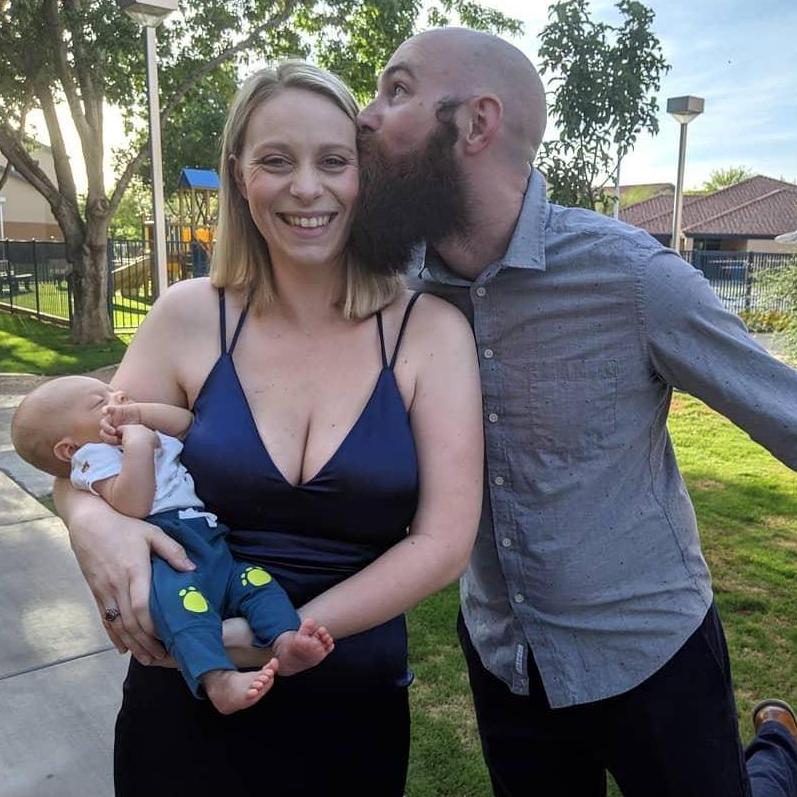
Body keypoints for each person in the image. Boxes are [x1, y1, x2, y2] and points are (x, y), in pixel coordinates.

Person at [353, 26, 797, 797]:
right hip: (503, 657)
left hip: (651, 652)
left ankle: (778, 745)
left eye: (396, 90)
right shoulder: (395, 296)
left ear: (477, 123)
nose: (365, 114)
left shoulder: (634, 279)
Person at [53, 60, 483, 796]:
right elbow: (82, 462)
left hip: (349, 706)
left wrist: (271, 638)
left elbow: (442, 544)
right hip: (184, 705)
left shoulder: (429, 331)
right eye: (276, 161)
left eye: (334, 161)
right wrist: (90, 523)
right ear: (238, 175)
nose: (306, 188)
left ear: (365, 176)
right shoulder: (187, 315)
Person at [12, 375, 336, 715]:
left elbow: (187, 424)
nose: (118, 395)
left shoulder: (141, 432)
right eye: (99, 402)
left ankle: (285, 640)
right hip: (167, 556)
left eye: (113, 390)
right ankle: (218, 680)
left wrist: (140, 415)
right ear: (69, 449)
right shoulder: (92, 460)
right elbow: (133, 504)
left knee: (254, 581)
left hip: (208, 541)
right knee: (185, 612)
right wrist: (138, 446)